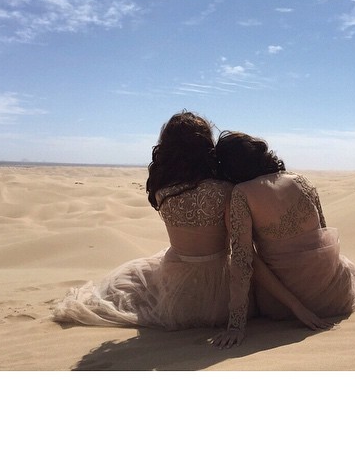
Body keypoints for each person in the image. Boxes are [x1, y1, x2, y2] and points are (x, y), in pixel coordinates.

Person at [52, 111, 327, 332]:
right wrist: (292, 305)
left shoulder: (162, 191)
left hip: (177, 296)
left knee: (142, 279)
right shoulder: (226, 191)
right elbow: (246, 257)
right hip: (221, 296)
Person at [211, 131, 355, 348]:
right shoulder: (301, 180)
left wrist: (236, 326)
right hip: (333, 292)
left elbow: (243, 261)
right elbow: (324, 239)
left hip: (281, 305)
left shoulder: (241, 193)